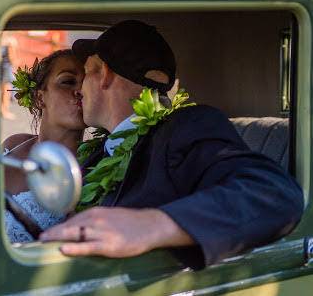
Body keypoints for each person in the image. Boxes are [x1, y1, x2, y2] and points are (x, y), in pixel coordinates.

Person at [40, 20, 304, 269]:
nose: (80, 90)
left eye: (85, 74)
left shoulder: (184, 128)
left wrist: (150, 225)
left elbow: (273, 193)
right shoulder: (98, 152)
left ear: (105, 74)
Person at [3, 49, 85, 242]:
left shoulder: (94, 165)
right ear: (40, 98)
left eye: (87, 82)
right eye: (68, 81)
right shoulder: (13, 143)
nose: (81, 91)